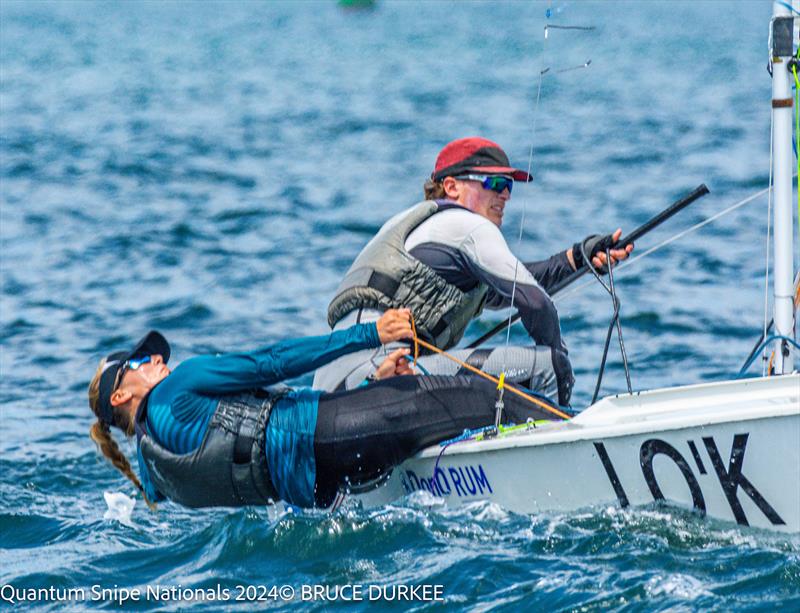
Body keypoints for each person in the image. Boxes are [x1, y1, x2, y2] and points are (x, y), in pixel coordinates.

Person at [88, 309, 561, 511]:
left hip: (316, 485)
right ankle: (574, 435)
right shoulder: (182, 385)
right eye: (141, 361)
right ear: (119, 397)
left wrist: (373, 386)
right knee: (482, 396)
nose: (156, 360)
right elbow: (271, 362)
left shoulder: (154, 472)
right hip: (328, 436)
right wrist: (370, 334)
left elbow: (260, 438)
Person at [313, 136, 633, 405]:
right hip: (377, 377)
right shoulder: (467, 225)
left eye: (508, 186)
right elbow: (534, 301)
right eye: (494, 183)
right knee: (547, 366)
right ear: (451, 186)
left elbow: (509, 286)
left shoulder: (421, 229)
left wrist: (578, 258)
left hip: (334, 396)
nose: (505, 194)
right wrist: (560, 365)